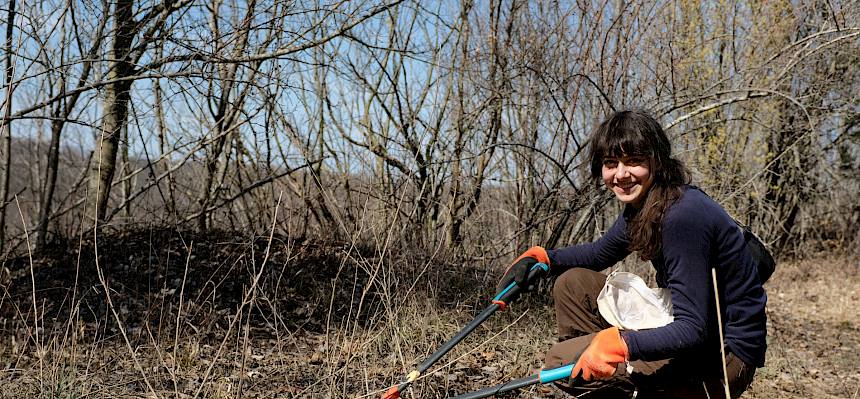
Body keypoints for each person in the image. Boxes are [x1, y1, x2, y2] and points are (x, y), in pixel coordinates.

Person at [497, 109, 767, 398]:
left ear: (657, 161)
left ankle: (628, 382)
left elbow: (692, 329)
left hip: (721, 357)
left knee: (561, 361)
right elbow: (599, 254)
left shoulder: (682, 217)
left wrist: (622, 344)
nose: (621, 174)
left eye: (634, 161)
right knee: (573, 284)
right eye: (610, 163)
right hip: (693, 332)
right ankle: (604, 375)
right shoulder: (648, 203)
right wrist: (544, 258)